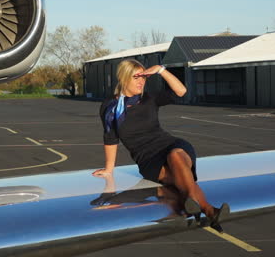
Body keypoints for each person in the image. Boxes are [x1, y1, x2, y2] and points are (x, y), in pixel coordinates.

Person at [92, 59, 229, 232]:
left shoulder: (149, 98)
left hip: (171, 145)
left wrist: (160, 70)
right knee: (181, 182)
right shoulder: (110, 107)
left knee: (176, 155)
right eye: (136, 77)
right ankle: (209, 210)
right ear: (124, 78)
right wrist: (108, 169)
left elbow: (181, 91)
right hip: (148, 160)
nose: (142, 81)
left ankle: (204, 208)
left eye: (144, 77)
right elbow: (110, 137)